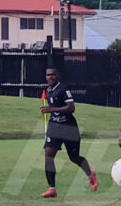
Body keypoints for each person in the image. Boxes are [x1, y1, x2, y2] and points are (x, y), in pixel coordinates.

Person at [40, 67, 97, 198]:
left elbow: (71, 108)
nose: (50, 77)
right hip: (54, 126)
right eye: (48, 75)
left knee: (74, 157)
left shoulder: (63, 89)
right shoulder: (48, 90)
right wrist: (50, 111)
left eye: (53, 75)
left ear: (57, 76)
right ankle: (52, 189)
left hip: (68, 126)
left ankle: (90, 174)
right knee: (48, 154)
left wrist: (52, 109)